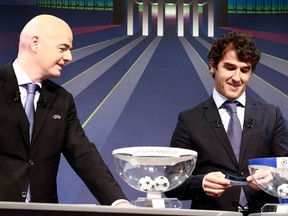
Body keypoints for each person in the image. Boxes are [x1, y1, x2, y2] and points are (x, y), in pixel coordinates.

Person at [0, 14, 132, 207]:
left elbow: (83, 154)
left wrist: (118, 202)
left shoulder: (62, 100)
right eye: (63, 48)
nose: (69, 57)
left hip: (42, 210)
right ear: (35, 43)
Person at [164, 31, 288, 214]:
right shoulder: (189, 120)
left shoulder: (271, 115)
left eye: (245, 70)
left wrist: (274, 178)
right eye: (230, 67)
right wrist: (202, 183)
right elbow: (171, 183)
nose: (237, 78)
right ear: (213, 66)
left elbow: (286, 169)